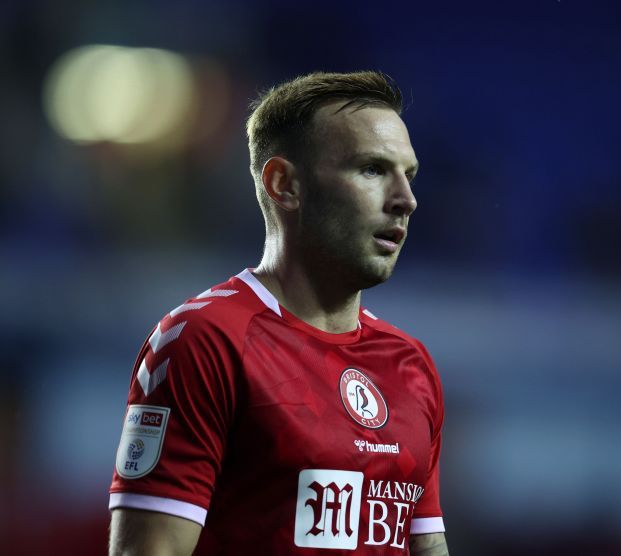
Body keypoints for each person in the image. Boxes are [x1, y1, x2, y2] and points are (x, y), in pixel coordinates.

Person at [108, 71, 449, 555]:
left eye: (408, 175)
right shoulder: (205, 340)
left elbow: (428, 546)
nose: (405, 200)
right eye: (372, 170)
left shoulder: (410, 365)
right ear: (284, 184)